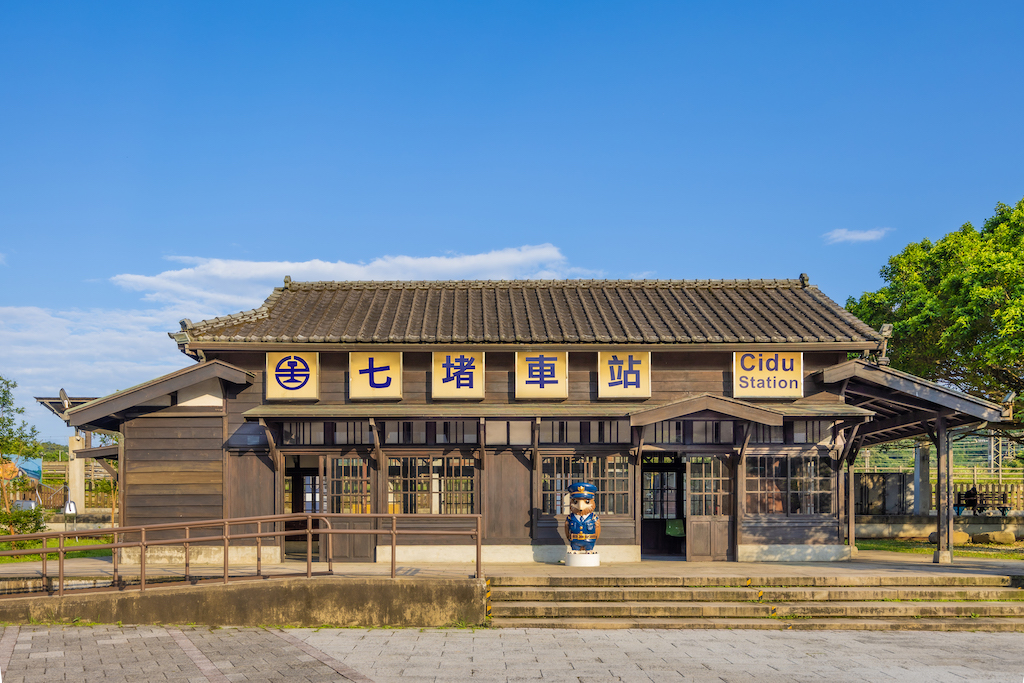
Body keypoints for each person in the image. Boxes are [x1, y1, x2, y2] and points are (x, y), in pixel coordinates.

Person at [565, 482, 601, 552]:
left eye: (587, 502)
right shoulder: (570, 518)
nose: (580, 506)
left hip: (589, 541)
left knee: (589, 552)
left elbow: (597, 532)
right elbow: (567, 532)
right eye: (575, 502)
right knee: (574, 553)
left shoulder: (594, 518)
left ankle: (589, 549)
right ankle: (575, 549)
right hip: (574, 541)